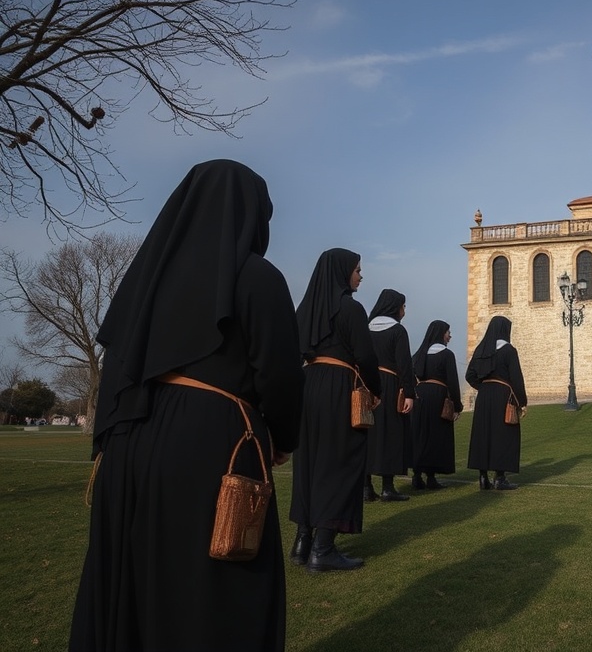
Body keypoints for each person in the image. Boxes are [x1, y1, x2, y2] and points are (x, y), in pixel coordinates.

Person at [69, 159, 305, 652]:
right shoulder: (257, 278)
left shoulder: (144, 283)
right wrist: (281, 439)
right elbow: (280, 375)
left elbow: (118, 364)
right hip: (209, 446)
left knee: (133, 582)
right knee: (216, 592)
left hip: (129, 443)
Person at [290, 248, 381, 573]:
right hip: (339, 387)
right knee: (340, 461)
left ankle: (302, 542)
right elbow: (366, 358)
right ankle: (323, 548)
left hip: (308, 385)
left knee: (310, 463)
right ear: (343, 272)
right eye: (357, 269)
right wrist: (375, 391)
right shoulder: (351, 309)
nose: (360, 275)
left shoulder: (305, 311)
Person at [365, 289, 416, 502]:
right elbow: (404, 364)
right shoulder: (398, 331)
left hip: (366, 386)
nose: (404, 311)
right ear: (395, 307)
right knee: (391, 435)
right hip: (391, 386)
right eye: (403, 306)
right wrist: (409, 393)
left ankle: (366, 487)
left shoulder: (365, 328)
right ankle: (387, 487)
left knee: (368, 433)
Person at [466, 315, 527, 491]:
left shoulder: (481, 350)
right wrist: (521, 401)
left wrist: (484, 387)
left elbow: (469, 375)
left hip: (484, 397)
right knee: (504, 435)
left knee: (483, 434)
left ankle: (483, 477)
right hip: (503, 396)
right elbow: (516, 378)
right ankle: (500, 478)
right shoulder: (509, 351)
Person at [410, 320, 463, 490]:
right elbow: (453, 383)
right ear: (441, 333)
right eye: (448, 332)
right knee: (436, 437)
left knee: (420, 435)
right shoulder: (447, 355)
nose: (450, 336)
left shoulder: (419, 354)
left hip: (420, 396)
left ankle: (417, 475)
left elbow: (410, 375)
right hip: (439, 397)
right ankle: (431, 477)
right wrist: (457, 406)